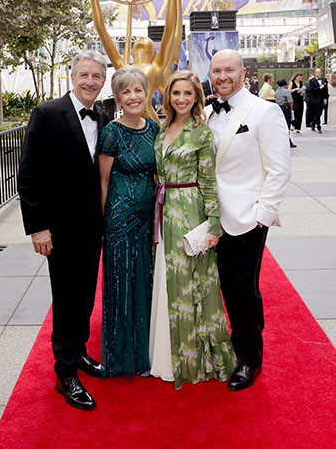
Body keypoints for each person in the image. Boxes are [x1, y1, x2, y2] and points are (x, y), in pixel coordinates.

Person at [18, 50, 109, 411]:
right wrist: (37, 227)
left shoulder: (103, 115)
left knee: (86, 295)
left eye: (97, 77)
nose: (90, 82)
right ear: (73, 77)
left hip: (92, 226)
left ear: (103, 81)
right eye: (85, 75)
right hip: (59, 228)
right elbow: (29, 174)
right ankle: (65, 372)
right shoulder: (46, 113)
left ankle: (79, 351)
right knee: (67, 298)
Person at [207, 50, 291, 391]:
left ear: (243, 72)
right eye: (217, 70)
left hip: (246, 218)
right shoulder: (208, 112)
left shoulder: (265, 111)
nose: (223, 75)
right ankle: (231, 342)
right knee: (221, 285)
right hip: (210, 216)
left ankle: (249, 359)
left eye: (229, 69)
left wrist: (263, 216)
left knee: (242, 289)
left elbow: (279, 168)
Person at [149, 70, 237, 390]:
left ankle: (190, 359)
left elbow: (209, 182)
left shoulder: (201, 133)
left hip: (189, 209)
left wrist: (213, 226)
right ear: (168, 97)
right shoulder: (162, 128)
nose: (182, 99)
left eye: (188, 94)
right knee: (166, 280)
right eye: (176, 94)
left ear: (197, 97)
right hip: (162, 210)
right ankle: (162, 354)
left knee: (191, 284)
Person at [98, 67, 159, 377]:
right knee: (122, 281)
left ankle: (145, 350)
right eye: (126, 92)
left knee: (144, 279)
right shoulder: (111, 132)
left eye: (138, 90)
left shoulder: (153, 128)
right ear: (118, 98)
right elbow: (103, 181)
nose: (133, 96)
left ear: (146, 92)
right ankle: (121, 355)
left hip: (147, 218)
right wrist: (104, 220)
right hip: (120, 219)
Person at [306, 68, 328, 133]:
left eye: (320, 72)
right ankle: (318, 126)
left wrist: (325, 98)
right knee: (317, 112)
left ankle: (313, 123)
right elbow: (311, 90)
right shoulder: (312, 80)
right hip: (315, 99)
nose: (319, 73)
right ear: (315, 73)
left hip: (322, 99)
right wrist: (319, 88)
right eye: (317, 72)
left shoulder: (324, 80)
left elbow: (325, 90)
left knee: (320, 113)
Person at [275, 78, 296, 148]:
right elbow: (290, 101)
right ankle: (287, 140)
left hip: (279, 108)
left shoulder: (277, 91)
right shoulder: (286, 91)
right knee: (287, 124)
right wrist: (291, 109)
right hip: (285, 108)